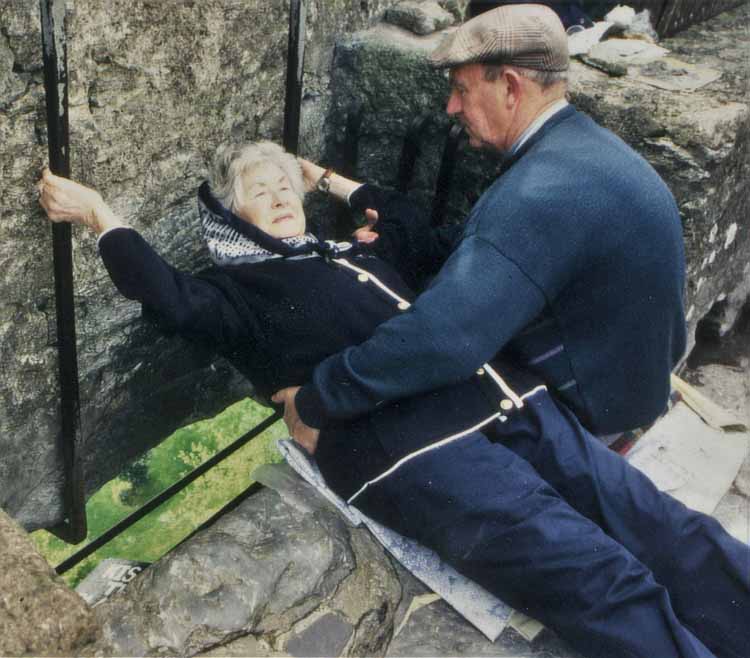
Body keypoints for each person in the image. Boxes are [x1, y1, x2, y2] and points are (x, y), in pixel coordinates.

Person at [270, 5, 749, 658]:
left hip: (595, 407)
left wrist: (322, 395)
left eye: (462, 89)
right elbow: (471, 251)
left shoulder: (538, 193)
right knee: (669, 531)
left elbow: (446, 339)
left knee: (589, 564)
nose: (450, 109)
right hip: (629, 375)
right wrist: (360, 204)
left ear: (511, 86)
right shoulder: (575, 149)